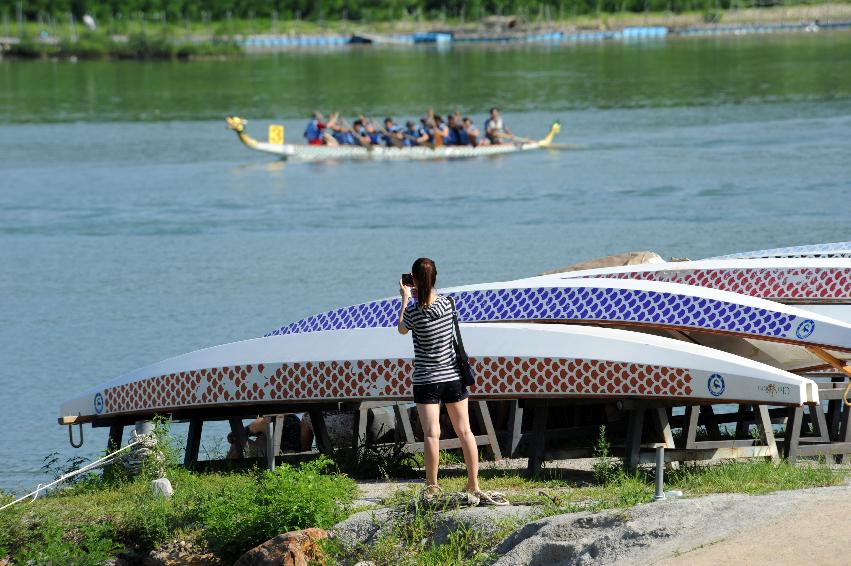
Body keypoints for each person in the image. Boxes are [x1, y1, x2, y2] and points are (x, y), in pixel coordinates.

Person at [397, 258, 508, 507]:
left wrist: (405, 298)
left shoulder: (414, 311)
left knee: (431, 434)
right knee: (465, 431)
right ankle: (473, 484)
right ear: (434, 278)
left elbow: (402, 329)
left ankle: (433, 486)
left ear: (413, 280)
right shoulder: (448, 304)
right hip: (453, 377)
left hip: (426, 379)